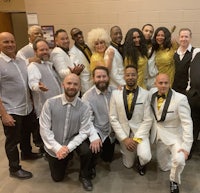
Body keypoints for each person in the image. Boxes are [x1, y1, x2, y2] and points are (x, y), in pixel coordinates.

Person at [39, 73, 101, 191]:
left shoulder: (84, 106)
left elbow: (84, 131)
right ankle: (64, 158)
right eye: (69, 83)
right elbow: (44, 129)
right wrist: (58, 148)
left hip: (73, 140)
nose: (72, 86)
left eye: (75, 84)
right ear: (63, 85)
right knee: (57, 177)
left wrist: (68, 148)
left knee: (87, 151)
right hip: (54, 144)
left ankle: (84, 175)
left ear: (80, 87)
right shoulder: (50, 103)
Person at [0, 32, 41, 180]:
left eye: (12, 41)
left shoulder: (19, 60)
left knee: (26, 133)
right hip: (11, 109)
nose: (10, 44)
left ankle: (27, 153)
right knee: (12, 141)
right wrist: (4, 114)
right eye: (6, 42)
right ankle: (14, 168)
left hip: (26, 107)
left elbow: (32, 63)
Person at [150, 73, 193, 193]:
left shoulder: (180, 99)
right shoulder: (151, 94)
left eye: (166, 83)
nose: (163, 85)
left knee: (179, 159)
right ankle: (170, 161)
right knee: (164, 167)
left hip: (175, 136)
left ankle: (174, 181)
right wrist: (120, 87)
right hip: (158, 135)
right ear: (155, 84)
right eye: (160, 83)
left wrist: (186, 146)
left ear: (170, 83)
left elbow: (187, 123)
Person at [109, 65, 152, 176]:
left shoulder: (145, 94)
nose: (130, 77)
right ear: (124, 76)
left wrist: (136, 139)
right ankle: (130, 153)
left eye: (133, 74)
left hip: (140, 133)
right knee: (128, 164)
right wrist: (125, 139)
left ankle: (141, 163)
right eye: (128, 75)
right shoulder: (115, 94)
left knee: (145, 156)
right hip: (124, 134)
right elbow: (113, 118)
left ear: (137, 76)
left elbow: (148, 120)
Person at [28, 38, 62, 150]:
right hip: (45, 109)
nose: (45, 52)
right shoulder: (33, 66)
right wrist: (38, 87)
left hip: (57, 106)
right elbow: (33, 83)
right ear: (35, 52)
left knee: (56, 134)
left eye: (47, 49)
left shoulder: (48, 65)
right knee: (48, 136)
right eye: (41, 50)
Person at [82, 66, 116, 177]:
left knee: (107, 158)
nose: (101, 79)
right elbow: (87, 121)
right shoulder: (87, 96)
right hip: (98, 130)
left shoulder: (115, 91)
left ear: (108, 77)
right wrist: (94, 137)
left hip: (112, 131)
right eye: (98, 77)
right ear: (93, 78)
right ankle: (90, 167)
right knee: (93, 148)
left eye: (104, 76)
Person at [69, 27, 93, 95]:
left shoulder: (88, 45)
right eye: (76, 35)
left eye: (80, 33)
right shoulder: (73, 52)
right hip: (85, 84)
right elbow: (75, 70)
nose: (79, 36)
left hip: (93, 80)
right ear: (73, 38)